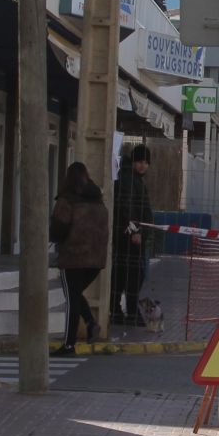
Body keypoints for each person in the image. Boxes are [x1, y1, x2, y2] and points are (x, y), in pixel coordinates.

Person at [50, 162, 109, 354]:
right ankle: (91, 323)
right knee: (75, 294)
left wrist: (55, 240)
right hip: (95, 260)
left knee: (72, 298)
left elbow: (58, 229)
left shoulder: (67, 201)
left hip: (72, 257)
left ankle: (69, 344)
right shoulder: (98, 201)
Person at [112, 144, 155, 328]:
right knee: (132, 275)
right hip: (129, 238)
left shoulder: (135, 179)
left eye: (146, 162)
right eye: (140, 161)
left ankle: (120, 311)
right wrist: (135, 230)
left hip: (131, 236)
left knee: (126, 275)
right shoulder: (129, 180)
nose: (143, 166)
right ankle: (128, 312)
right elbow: (127, 206)